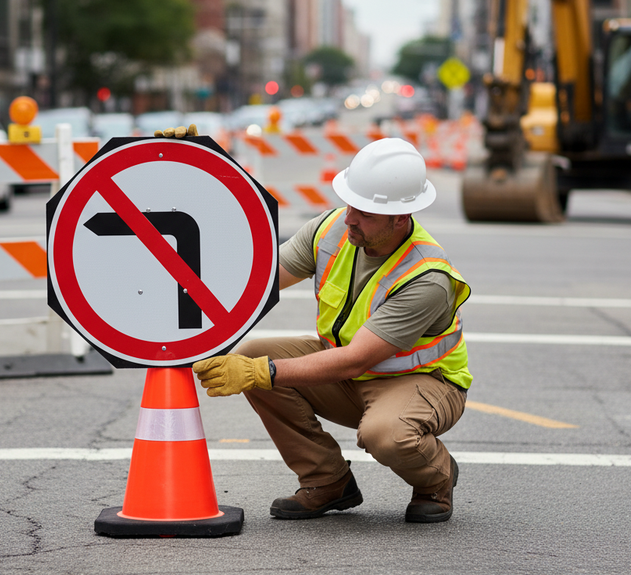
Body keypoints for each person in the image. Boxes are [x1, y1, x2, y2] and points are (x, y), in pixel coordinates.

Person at [193, 137, 472, 523]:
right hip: (348, 373)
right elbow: (254, 283)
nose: (350, 218)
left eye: (367, 213)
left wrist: (265, 373)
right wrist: (189, 168)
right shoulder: (329, 231)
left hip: (420, 382)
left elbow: (355, 359)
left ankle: (436, 477)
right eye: (351, 204)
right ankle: (328, 481)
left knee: (386, 435)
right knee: (250, 355)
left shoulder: (426, 277)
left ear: (401, 218)